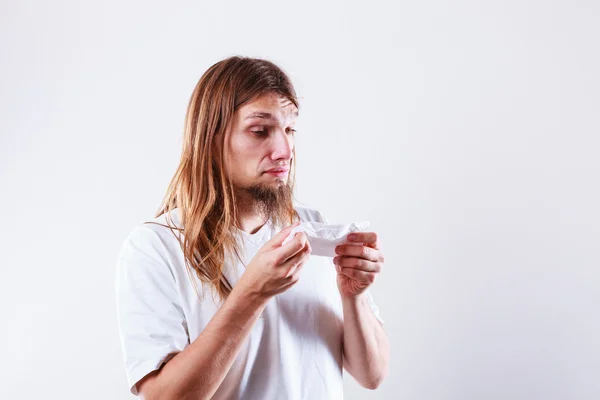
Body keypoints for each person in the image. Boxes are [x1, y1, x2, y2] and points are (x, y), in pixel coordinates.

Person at [115, 56, 390, 399]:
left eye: (290, 130)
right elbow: (162, 397)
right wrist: (251, 294)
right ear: (211, 140)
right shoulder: (156, 247)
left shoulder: (313, 227)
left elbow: (373, 374)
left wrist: (354, 295)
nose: (284, 151)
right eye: (260, 131)